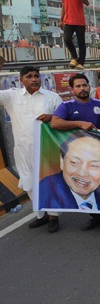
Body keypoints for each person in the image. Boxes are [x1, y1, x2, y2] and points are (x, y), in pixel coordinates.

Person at [49, 73, 100, 231]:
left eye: (85, 85)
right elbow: (55, 123)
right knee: (86, 185)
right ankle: (94, 217)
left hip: (99, 154)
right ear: (72, 89)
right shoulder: (66, 106)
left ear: (89, 86)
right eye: (78, 86)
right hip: (79, 156)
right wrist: (79, 124)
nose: (82, 88)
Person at [0, 66, 62, 232]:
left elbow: (64, 120)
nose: (34, 79)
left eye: (36, 76)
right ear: (21, 80)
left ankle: (54, 216)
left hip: (47, 150)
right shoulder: (11, 96)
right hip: (22, 151)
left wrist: (52, 117)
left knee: (49, 183)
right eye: (29, 76)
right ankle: (42, 215)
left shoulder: (52, 97)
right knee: (29, 184)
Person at [38, 131, 100, 213]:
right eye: (74, 163)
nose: (82, 173)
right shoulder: (44, 192)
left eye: (93, 166)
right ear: (62, 161)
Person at [60, 0, 89, 69]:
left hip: (79, 21)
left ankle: (81, 63)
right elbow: (63, 6)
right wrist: (61, 19)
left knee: (81, 42)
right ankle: (75, 57)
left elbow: (86, 2)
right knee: (67, 39)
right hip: (68, 20)